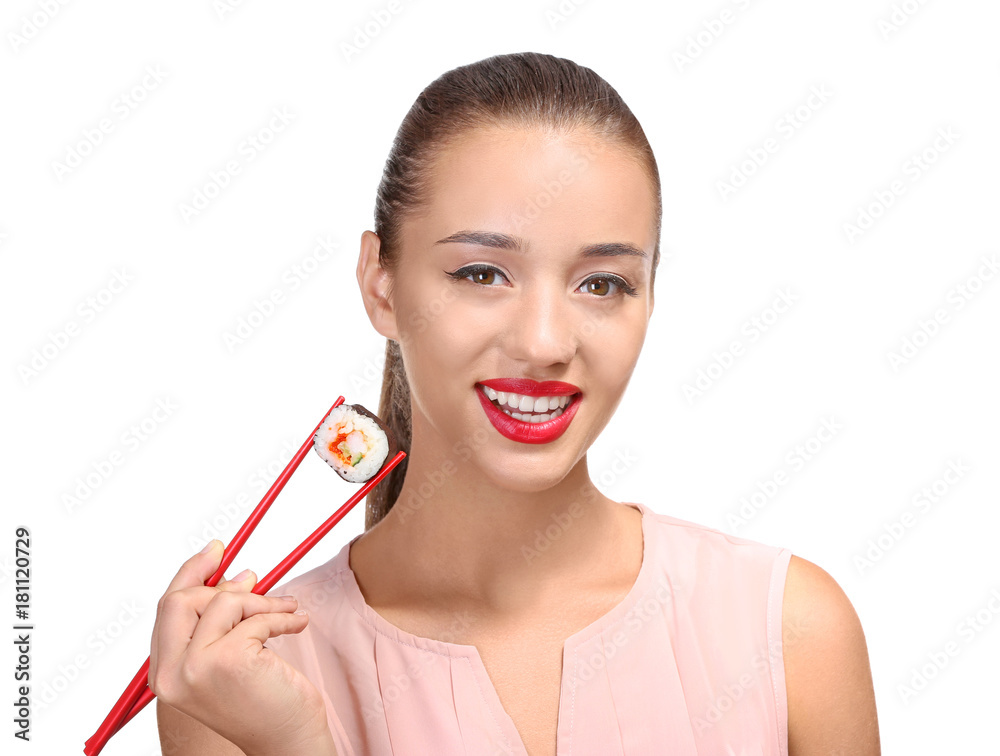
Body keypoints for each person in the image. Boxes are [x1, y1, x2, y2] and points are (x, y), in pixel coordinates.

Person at [151, 52, 880, 755]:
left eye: (602, 284)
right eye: (481, 273)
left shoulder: (790, 632)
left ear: (651, 294)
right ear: (380, 285)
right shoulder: (236, 681)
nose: (544, 343)